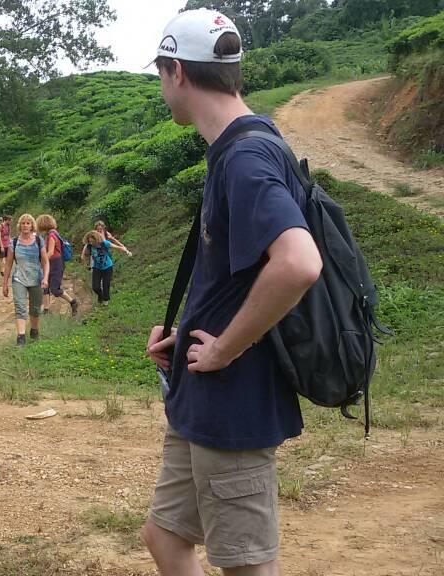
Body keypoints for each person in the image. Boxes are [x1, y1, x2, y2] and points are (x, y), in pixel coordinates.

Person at [142, 10, 323, 576]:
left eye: (160, 74)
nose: (162, 86)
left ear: (177, 72)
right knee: (164, 537)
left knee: (245, 565)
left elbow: (298, 263)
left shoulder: (244, 158)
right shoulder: (239, 145)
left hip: (233, 405)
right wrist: (192, 329)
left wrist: (225, 346)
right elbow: (242, 271)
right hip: (202, 403)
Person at [1, 214, 48, 345]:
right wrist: (4, 284)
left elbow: (45, 262)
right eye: (23, 223)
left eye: (28, 223)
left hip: (36, 278)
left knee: (35, 308)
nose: (25, 225)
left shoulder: (39, 241)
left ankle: (34, 330)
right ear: (19, 226)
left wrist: (45, 277)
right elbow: (9, 264)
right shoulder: (14, 242)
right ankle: (21, 337)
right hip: (19, 279)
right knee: (20, 306)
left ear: (32, 225)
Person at [35, 214, 78, 316]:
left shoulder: (51, 235)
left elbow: (50, 252)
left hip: (56, 263)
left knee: (55, 289)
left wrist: (41, 262)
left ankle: (73, 302)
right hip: (52, 263)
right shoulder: (51, 234)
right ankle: (46, 310)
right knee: (45, 285)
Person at [80, 222, 132, 306]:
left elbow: (117, 247)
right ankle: (100, 296)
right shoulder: (89, 246)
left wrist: (126, 251)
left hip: (107, 267)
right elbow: (84, 255)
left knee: (106, 285)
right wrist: (86, 263)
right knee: (95, 287)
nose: (91, 243)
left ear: (96, 240)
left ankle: (105, 302)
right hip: (97, 267)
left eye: (92, 241)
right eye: (89, 242)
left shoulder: (104, 244)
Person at [0, 215, 12, 280]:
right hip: (2, 245)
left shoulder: (8, 227)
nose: (11, 222)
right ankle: (1, 271)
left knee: (7, 259)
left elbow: (9, 236)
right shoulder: (0, 226)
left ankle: (6, 271)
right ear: (7, 220)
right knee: (1, 258)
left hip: (7, 245)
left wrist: (10, 243)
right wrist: (1, 246)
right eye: (10, 220)